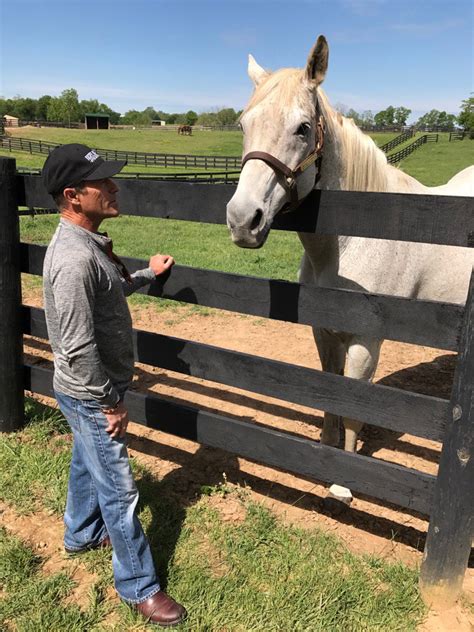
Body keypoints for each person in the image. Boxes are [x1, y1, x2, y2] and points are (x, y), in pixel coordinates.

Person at [41, 143, 187, 627]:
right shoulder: (73, 260)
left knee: (88, 462)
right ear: (73, 196)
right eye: (101, 181)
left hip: (85, 391)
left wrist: (147, 273)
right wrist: (110, 403)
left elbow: (106, 293)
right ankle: (139, 587)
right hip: (91, 393)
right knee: (120, 492)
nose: (113, 186)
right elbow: (79, 348)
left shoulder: (86, 247)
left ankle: (80, 534)